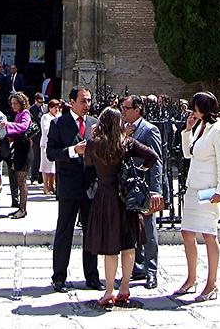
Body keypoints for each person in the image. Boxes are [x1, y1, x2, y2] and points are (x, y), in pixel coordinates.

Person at [84, 107, 161, 308]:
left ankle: (109, 291)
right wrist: (138, 171)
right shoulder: (127, 143)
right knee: (128, 244)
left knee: (110, 247)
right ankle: (124, 288)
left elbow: (88, 164)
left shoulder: (93, 144)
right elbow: (152, 156)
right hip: (126, 197)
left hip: (104, 196)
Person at [174, 91, 220, 303]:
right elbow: (189, 153)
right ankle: (191, 278)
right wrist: (187, 130)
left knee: (209, 234)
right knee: (187, 232)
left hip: (208, 188)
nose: (193, 110)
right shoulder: (200, 127)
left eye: (196, 107)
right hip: (193, 186)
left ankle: (212, 282)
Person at [47, 86, 102, 292]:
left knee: (92, 232)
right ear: (71, 102)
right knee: (64, 232)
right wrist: (73, 151)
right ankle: (59, 276)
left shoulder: (95, 123)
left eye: (89, 101)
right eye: (83, 101)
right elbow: (51, 153)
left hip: (90, 186)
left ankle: (92, 276)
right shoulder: (58, 123)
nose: (87, 105)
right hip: (69, 186)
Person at [121, 94, 163, 289]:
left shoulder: (149, 129)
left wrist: (156, 190)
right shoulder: (124, 129)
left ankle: (152, 271)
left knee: (149, 230)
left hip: (145, 190)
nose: (123, 111)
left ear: (137, 109)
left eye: (126, 108)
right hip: (129, 189)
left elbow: (156, 161)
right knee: (133, 229)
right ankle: (137, 268)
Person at [5, 91, 32, 218]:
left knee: (22, 180)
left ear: (22, 103)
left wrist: (8, 125)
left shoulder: (25, 113)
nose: (13, 106)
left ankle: (23, 209)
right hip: (19, 148)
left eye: (15, 103)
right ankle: (20, 207)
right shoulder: (18, 114)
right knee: (19, 179)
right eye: (12, 103)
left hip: (24, 150)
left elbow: (24, 126)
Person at [40, 99, 60, 195]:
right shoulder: (46, 117)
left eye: (58, 107)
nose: (57, 109)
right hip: (46, 144)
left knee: (53, 167)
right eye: (55, 107)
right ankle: (46, 186)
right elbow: (45, 129)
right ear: (50, 108)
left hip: (56, 144)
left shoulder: (59, 116)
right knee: (46, 166)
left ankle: (52, 185)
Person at [29, 93, 45, 183]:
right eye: (40, 102)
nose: (41, 103)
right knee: (36, 157)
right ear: (36, 101)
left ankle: (41, 177)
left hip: (43, 135)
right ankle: (34, 177)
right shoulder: (32, 109)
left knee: (42, 157)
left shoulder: (44, 108)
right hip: (36, 136)